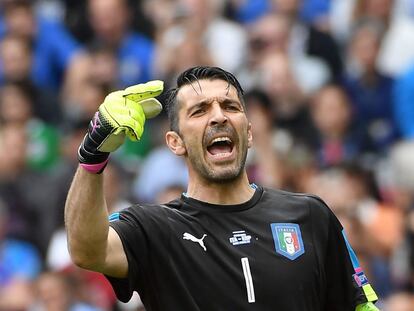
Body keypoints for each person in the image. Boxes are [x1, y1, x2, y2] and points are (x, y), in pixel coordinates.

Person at [65, 66, 379, 310]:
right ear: (175, 143)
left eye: (230, 106)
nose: (218, 116)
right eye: (199, 111)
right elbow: (87, 250)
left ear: (250, 133)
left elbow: (360, 305)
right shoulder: (155, 228)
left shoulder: (310, 215)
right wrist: (93, 153)